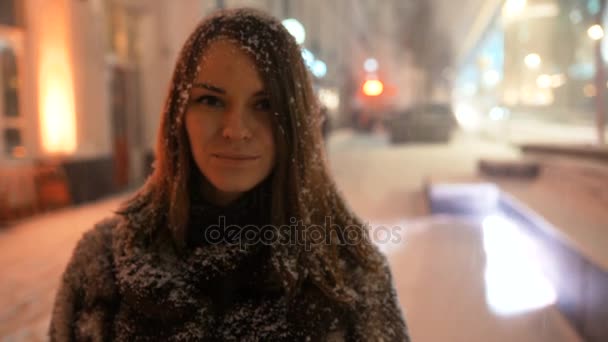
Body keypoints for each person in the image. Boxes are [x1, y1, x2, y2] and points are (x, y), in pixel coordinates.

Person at [49, 8, 409, 341]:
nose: (235, 130)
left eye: (264, 105)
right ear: (179, 115)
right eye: (211, 100)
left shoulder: (348, 275)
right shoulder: (102, 270)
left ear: (295, 123)